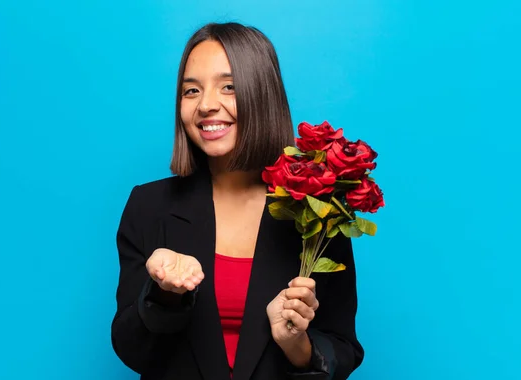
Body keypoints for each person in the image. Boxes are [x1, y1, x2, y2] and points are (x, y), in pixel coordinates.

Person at [110, 22, 364, 380]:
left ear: (262, 94)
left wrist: (295, 343)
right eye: (191, 91)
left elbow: (342, 347)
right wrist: (165, 293)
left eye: (228, 87)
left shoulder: (316, 211)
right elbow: (130, 349)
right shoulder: (148, 206)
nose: (206, 105)